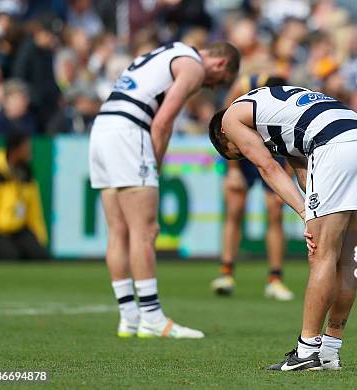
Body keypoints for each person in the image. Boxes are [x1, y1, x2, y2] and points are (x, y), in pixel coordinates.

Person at [208, 85, 357, 371]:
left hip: (334, 145)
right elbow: (303, 171)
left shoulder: (230, 119)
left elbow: (267, 167)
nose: (246, 153)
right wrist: (315, 209)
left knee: (322, 255)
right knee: (346, 259)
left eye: (238, 152)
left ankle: (307, 351)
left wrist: (306, 213)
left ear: (224, 135)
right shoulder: (274, 119)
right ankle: (329, 352)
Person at [88, 41, 240, 339]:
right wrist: (153, 166)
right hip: (130, 131)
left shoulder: (169, 50)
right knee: (145, 230)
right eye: (218, 82)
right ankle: (152, 317)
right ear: (221, 65)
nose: (210, 87)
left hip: (102, 129)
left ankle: (129, 317)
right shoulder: (193, 66)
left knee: (118, 231)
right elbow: (163, 122)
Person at [210, 74, 295, 301]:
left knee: (275, 212)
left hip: (273, 148)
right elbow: (225, 124)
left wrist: (286, 181)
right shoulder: (245, 86)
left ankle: (275, 279)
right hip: (241, 148)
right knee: (235, 210)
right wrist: (234, 170)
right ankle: (226, 273)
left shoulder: (287, 91)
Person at [0, 133, 49, 263]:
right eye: (26, 147)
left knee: (40, 256)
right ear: (15, 150)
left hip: (20, 230)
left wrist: (40, 240)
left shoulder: (26, 174)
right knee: (10, 257)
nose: (29, 151)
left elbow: (35, 211)